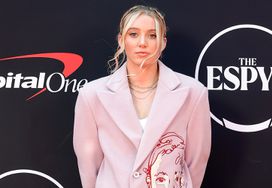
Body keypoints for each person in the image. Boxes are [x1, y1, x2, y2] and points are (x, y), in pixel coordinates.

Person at [73, 5, 211, 188]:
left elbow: (197, 160)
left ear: (163, 42)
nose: (142, 42)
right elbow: (88, 165)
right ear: (121, 40)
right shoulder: (91, 95)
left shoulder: (193, 92)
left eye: (152, 35)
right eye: (133, 34)